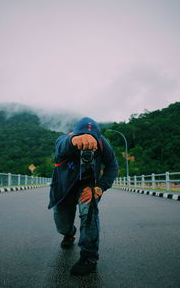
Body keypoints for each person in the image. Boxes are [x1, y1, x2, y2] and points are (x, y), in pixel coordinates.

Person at [48, 117, 118, 276]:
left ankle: (89, 258)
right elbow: (60, 145)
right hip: (64, 186)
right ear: (74, 133)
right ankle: (68, 233)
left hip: (87, 184)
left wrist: (99, 188)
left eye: (91, 139)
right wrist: (74, 140)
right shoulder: (65, 140)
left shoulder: (102, 144)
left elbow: (112, 166)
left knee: (89, 211)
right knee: (61, 221)